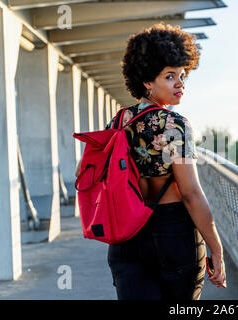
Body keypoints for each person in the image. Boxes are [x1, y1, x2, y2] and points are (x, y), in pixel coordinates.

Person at [76, 23, 226, 300]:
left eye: (182, 75)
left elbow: (86, 174)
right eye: (170, 76)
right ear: (147, 80)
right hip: (173, 234)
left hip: (126, 234)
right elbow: (191, 193)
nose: (180, 83)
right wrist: (215, 247)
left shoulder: (119, 121)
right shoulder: (175, 124)